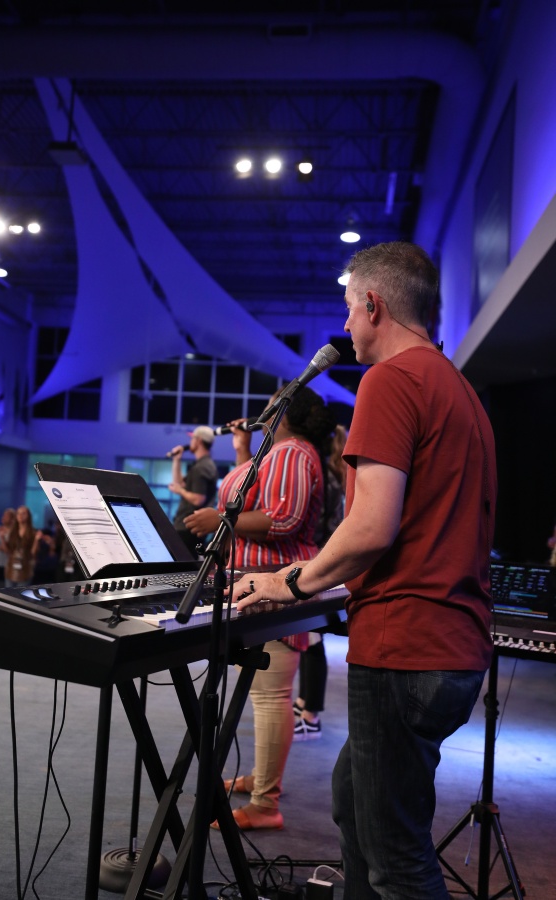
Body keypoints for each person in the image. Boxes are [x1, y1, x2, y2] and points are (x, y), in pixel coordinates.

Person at [230, 241, 498, 899]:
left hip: (406, 645)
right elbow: (418, 532)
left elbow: (372, 528)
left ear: (373, 304)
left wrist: (287, 582)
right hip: (451, 647)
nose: (346, 325)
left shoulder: (390, 379)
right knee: (355, 801)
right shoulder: (459, 390)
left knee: (396, 860)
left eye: (350, 309)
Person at [184, 387, 337, 830]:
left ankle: (266, 804)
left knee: (271, 696)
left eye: (271, 403)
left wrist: (221, 520)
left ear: (284, 413)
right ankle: (262, 778)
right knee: (261, 694)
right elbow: (250, 496)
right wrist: (243, 449)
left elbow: (283, 519)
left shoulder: (292, 452)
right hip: (258, 588)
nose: (263, 408)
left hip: (274, 588)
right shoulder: (278, 452)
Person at [293, 424, 348, 741]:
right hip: (326, 561)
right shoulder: (337, 474)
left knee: (312, 640)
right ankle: (306, 706)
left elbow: (314, 526)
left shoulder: (325, 477)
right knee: (312, 638)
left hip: (318, 561)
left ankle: (310, 715)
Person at [168, 425, 219, 556]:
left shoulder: (201, 467)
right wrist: (177, 460)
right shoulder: (203, 465)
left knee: (182, 564)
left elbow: (198, 499)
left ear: (198, 440)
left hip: (189, 527)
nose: (190, 442)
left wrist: (180, 491)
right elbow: (180, 484)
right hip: (190, 527)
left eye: (192, 439)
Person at [3, 505, 44, 589]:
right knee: (8, 593)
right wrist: (2, 538)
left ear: (28, 516)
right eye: (18, 513)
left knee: (20, 593)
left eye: (23, 513)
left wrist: (36, 540)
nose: (20, 516)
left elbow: (33, 553)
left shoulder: (33, 532)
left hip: (26, 568)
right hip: (11, 567)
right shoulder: (12, 532)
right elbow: (8, 551)